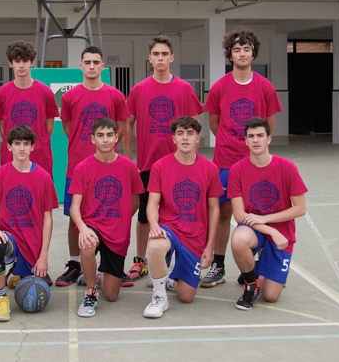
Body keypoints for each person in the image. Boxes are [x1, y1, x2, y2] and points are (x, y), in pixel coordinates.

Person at [201, 29, 282, 288]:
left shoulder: (265, 87)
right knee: (224, 212)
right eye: (237, 50)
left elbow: (269, 125)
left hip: (256, 163)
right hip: (225, 161)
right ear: (230, 55)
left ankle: (258, 265)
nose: (242, 54)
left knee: (260, 211)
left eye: (247, 49)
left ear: (253, 54)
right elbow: (214, 124)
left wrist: (254, 150)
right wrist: (232, 143)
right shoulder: (220, 87)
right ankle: (219, 265)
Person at [123, 35, 204, 281]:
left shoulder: (184, 89)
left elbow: (195, 126)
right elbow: (127, 123)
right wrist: (128, 158)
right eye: (156, 54)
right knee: (144, 214)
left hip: (178, 165)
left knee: (179, 211)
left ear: (172, 58)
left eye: (164, 54)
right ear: (150, 58)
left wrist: (193, 160)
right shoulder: (139, 89)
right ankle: (140, 261)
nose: (160, 58)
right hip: (147, 165)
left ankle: (181, 259)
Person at [57, 47, 130, 287]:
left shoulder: (115, 95)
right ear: (80, 66)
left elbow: (121, 127)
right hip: (77, 166)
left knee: (112, 212)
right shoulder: (69, 96)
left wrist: (106, 148)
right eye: (87, 62)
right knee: (74, 216)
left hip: (109, 167)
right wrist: (85, 146)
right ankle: (74, 264)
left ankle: (112, 264)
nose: (91, 66)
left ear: (102, 66)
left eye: (95, 62)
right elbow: (68, 128)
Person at [143, 116, 221, 318]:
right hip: (169, 228)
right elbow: (152, 204)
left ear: (198, 138)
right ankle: (159, 296)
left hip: (195, 235)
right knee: (156, 245)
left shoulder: (210, 169)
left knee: (187, 296)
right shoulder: (160, 166)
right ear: (174, 139)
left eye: (190, 133)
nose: (185, 138)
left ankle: (166, 278)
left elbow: (214, 210)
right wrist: (154, 225)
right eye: (180, 133)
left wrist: (210, 246)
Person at [228, 117, 307, 310]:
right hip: (254, 229)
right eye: (251, 136)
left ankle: (255, 268)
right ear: (246, 140)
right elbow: (239, 215)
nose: (255, 140)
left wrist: (267, 220)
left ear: (268, 139)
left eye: (260, 135)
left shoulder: (287, 167)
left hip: (281, 232)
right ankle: (250, 284)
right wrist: (270, 230)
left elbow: (300, 208)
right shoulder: (237, 170)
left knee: (271, 296)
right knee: (238, 239)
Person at [69, 118, 144, 317]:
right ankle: (91, 291)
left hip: (117, 232)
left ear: (116, 137)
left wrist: (122, 220)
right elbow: (74, 207)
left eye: (109, 135)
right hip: (92, 225)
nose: (105, 140)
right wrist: (83, 228)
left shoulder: (129, 167)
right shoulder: (82, 168)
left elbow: (135, 201)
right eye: (100, 135)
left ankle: (97, 276)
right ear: (93, 139)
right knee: (87, 243)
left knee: (111, 295)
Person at [0, 125, 58, 322]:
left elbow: (48, 219)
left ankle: (17, 272)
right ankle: (1, 299)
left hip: (33, 242)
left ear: (33, 147)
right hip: (11, 239)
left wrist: (43, 256)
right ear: (9, 146)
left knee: (30, 281)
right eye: (17, 143)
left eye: (26, 144)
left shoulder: (43, 178)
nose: (22, 148)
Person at [0, 41, 59, 175]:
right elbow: (3, 129)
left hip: (40, 158)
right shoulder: (0, 94)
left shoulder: (46, 93)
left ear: (32, 62)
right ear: (10, 63)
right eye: (17, 61)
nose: (21, 65)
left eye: (25, 61)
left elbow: (48, 128)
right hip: (11, 159)